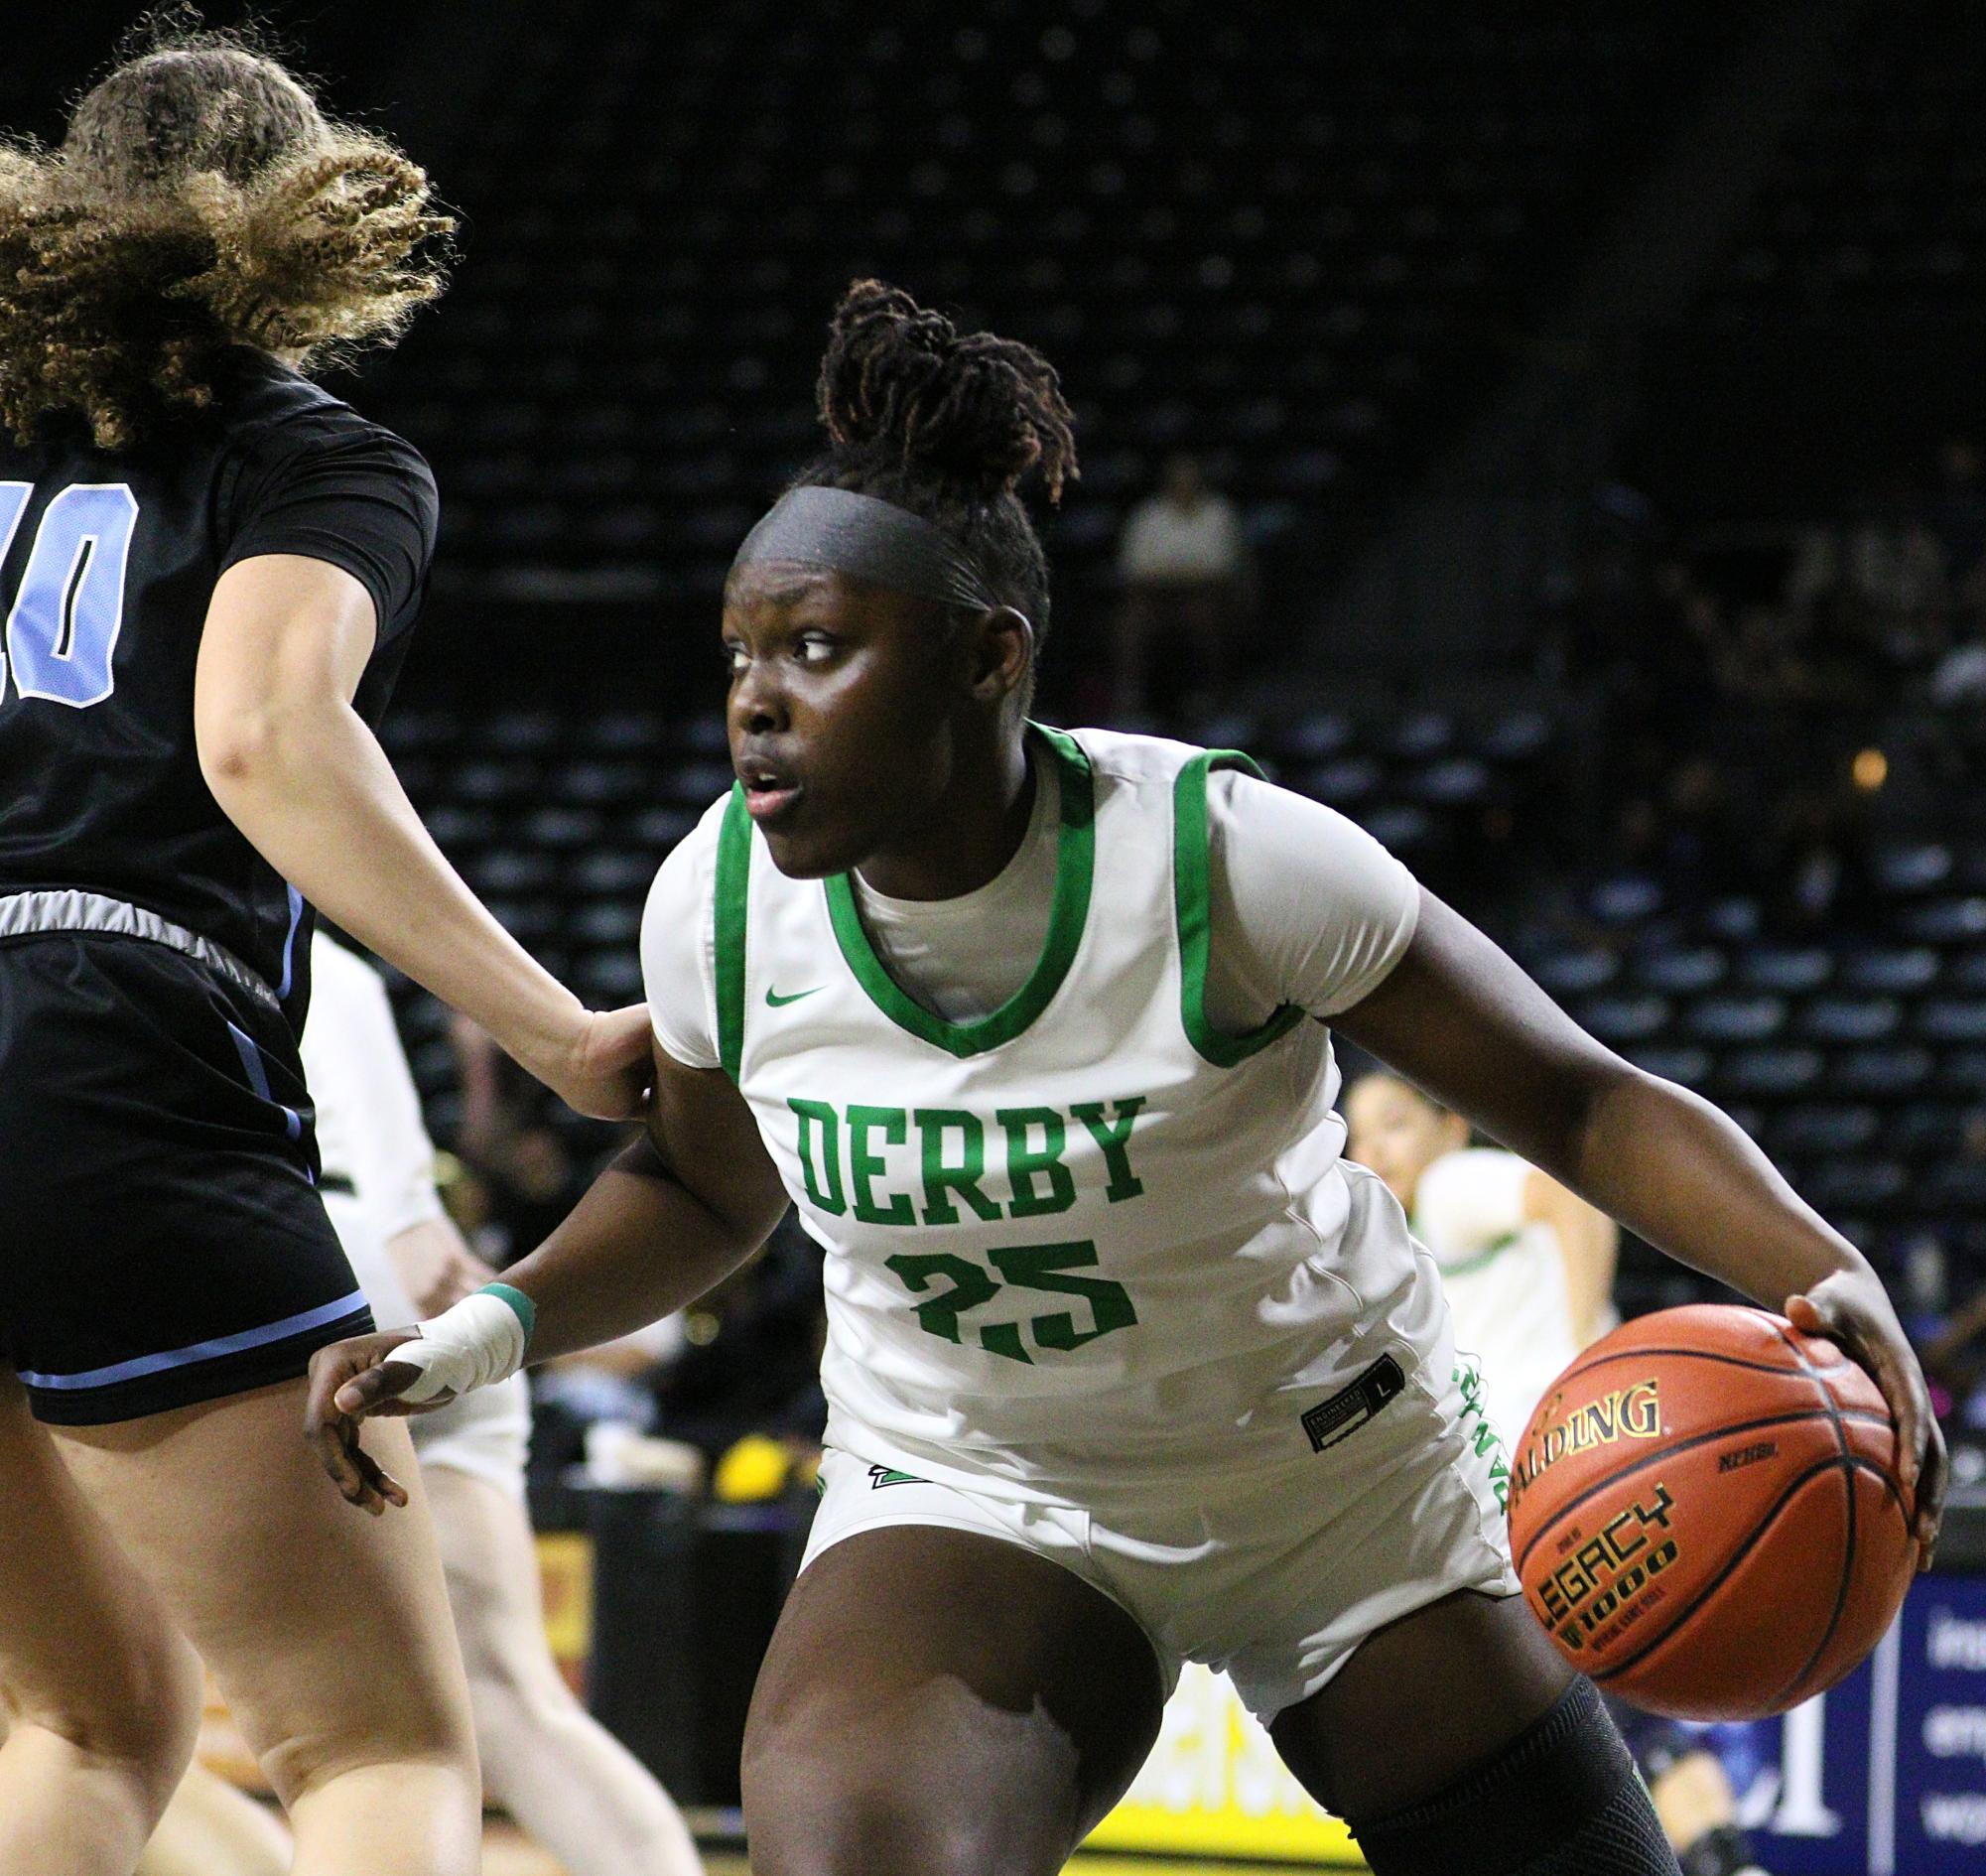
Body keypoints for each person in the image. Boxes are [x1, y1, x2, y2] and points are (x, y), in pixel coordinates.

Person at [311, 281, 1945, 1876]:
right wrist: (494, 1325)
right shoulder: (717, 904)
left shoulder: (1226, 863)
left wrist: (1820, 1265)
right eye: (739, 651)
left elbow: (1576, 1102)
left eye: (816, 649)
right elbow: (700, 1186)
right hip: (977, 1484)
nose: (756, 700)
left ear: (986, 661)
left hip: (1331, 1477)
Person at [0, 32, 648, 1876]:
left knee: (90, 1717)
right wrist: (547, 1033)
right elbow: (264, 736)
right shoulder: (306, 454)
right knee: (372, 1737)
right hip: (104, 1040)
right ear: (308, 231)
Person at [1346, 1073, 1768, 1876]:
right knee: (1614, 1716)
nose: (1372, 1151)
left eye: (1395, 1125)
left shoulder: (1452, 1187)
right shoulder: (1410, 1249)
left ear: (1452, 1129)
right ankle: (1724, 1861)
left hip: (1574, 1488)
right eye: (1359, 1135)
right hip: (1572, 1493)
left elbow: (1571, 1200)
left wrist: (1583, 1351)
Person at [1112, 451, 1249, 717]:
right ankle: (1131, 700)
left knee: (1203, 616)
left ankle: (1211, 697)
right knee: (1130, 623)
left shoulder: (1218, 512)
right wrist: (1179, 574)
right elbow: (1134, 568)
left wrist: (1176, 574)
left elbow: (1221, 567)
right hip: (1155, 599)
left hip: (1205, 597)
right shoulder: (1149, 515)